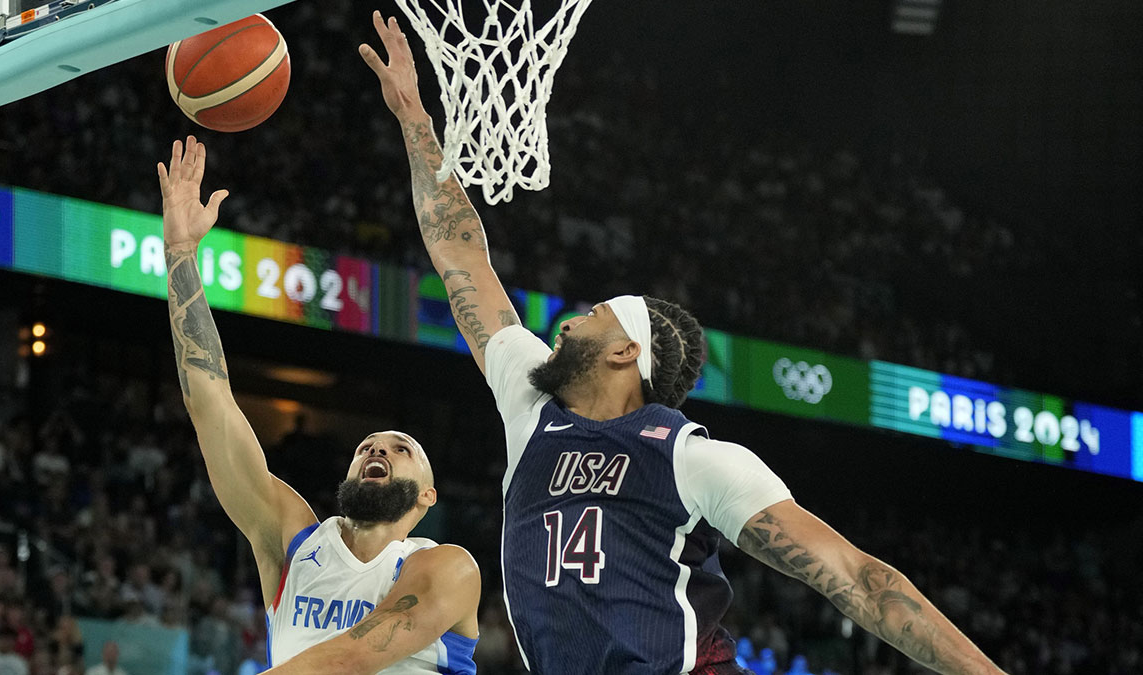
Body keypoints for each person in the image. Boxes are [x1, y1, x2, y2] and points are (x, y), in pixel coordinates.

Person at [359, 13, 1008, 675]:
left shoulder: (693, 459)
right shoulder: (530, 401)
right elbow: (462, 258)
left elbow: (859, 579)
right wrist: (414, 117)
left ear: (625, 353)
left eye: (592, 316)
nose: (566, 323)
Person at [156, 137, 480, 673]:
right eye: (366, 447)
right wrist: (180, 255)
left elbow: (354, 656)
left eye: (400, 448)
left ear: (428, 496)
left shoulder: (445, 566)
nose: (377, 447)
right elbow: (210, 402)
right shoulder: (292, 539)